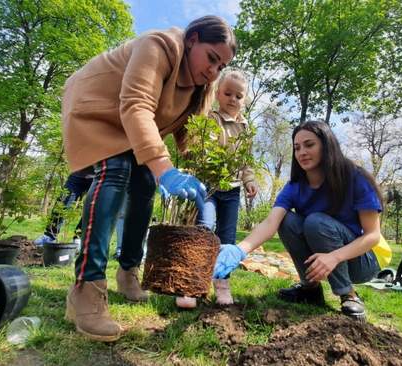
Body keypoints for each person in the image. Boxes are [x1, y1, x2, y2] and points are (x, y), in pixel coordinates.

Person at [62, 16, 236, 342]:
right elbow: (136, 104)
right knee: (116, 171)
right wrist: (165, 169)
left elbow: (192, 139)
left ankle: (128, 271)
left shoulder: (203, 87)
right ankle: (86, 288)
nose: (214, 71)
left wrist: (205, 174)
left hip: (133, 129)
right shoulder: (158, 45)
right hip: (97, 107)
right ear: (192, 39)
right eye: (212, 58)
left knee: (144, 183)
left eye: (221, 66)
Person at [212, 120, 384, 320]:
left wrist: (335, 256)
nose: (302, 152)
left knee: (316, 221)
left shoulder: (355, 178)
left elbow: (373, 236)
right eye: (297, 147)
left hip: (359, 262)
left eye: (309, 145)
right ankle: (310, 290)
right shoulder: (295, 186)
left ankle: (349, 295)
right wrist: (239, 249)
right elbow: (271, 223)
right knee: (286, 220)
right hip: (322, 257)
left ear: (327, 145)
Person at [176, 70, 258, 309]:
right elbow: (204, 147)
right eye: (228, 93)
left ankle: (222, 283)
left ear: (245, 100)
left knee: (228, 238)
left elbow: (246, 160)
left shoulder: (245, 128)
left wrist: (249, 180)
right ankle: (191, 284)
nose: (233, 99)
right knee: (205, 229)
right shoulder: (210, 119)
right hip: (210, 186)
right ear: (218, 94)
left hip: (232, 191)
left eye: (239, 95)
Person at [34, 167, 94, 248]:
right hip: (78, 173)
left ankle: (79, 238)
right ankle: (50, 236)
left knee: (92, 207)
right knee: (62, 202)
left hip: (99, 175)